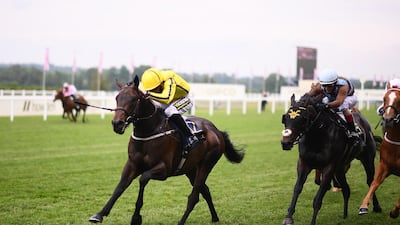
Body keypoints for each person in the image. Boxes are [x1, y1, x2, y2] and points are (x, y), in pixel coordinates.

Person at [140, 68, 200, 155]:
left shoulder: (169, 80)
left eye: (155, 89)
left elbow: (166, 99)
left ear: (160, 83)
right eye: (151, 90)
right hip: (171, 99)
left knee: (170, 111)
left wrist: (148, 94)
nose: (152, 91)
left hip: (185, 98)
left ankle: (190, 137)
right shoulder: (151, 83)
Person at [311, 68, 360, 144]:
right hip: (333, 97)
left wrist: (326, 106)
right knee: (323, 101)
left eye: (329, 86)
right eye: (325, 86)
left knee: (343, 106)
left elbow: (339, 102)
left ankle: (353, 130)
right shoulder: (320, 85)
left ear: (335, 83)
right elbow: (309, 94)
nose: (327, 88)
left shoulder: (343, 86)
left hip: (348, 97)